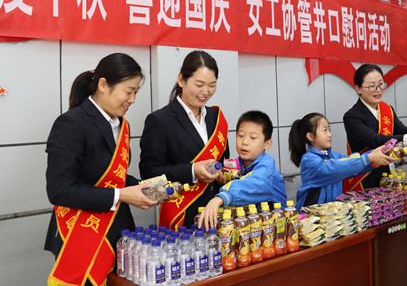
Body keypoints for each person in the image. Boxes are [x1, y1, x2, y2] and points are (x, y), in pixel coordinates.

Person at [45, 53, 158, 286]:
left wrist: (142, 187)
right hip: (80, 235)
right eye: (128, 91)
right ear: (103, 85)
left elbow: (112, 175)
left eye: (136, 92)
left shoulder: (122, 125)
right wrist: (121, 195)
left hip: (117, 233)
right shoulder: (71, 123)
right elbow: (59, 190)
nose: (132, 100)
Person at [139, 50, 230, 229]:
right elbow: (149, 172)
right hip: (183, 216)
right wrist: (192, 170)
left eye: (212, 85)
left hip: (219, 212)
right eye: (199, 84)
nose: (206, 92)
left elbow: (224, 161)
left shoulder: (215, 117)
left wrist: (224, 175)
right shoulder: (160, 120)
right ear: (181, 80)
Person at [343, 63, 407, 190]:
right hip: (364, 180)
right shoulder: (352, 116)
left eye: (380, 84)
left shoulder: (387, 109)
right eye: (372, 86)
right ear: (358, 89)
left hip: (386, 177)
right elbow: (374, 140)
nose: (378, 89)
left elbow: (404, 131)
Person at [198, 110, 286, 230]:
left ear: (267, 144)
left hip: (276, 225)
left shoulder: (267, 165)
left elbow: (254, 183)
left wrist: (220, 198)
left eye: (253, 138)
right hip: (251, 225)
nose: (244, 142)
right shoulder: (235, 164)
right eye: (241, 136)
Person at [290, 112, 395, 209]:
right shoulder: (308, 160)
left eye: (329, 130)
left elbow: (352, 163)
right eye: (324, 130)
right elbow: (335, 168)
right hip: (311, 216)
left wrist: (376, 153)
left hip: (331, 213)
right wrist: (370, 157)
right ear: (310, 136)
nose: (329, 134)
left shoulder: (334, 156)